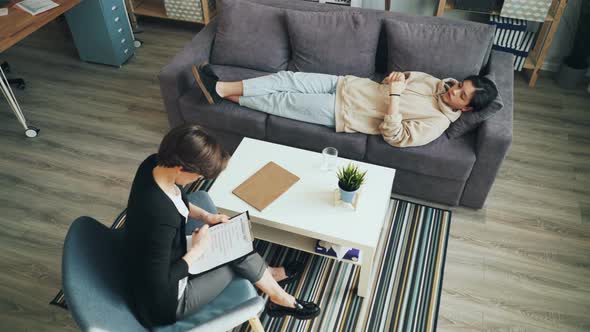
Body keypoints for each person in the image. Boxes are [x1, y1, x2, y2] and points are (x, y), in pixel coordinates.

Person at [123, 124, 320, 328]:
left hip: (170, 255)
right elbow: (161, 283)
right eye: (198, 176)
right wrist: (198, 250)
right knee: (234, 251)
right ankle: (279, 296)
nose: (197, 180)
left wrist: (207, 216)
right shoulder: (160, 217)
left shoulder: (153, 164)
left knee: (231, 242)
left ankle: (272, 281)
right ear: (180, 167)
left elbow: (177, 200)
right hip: (166, 303)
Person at [192, 63, 498, 148]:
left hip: (341, 112)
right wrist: (396, 77)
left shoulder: (437, 123)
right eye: (460, 84)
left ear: (467, 109)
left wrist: (393, 97)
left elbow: (396, 137)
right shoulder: (434, 82)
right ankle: (220, 88)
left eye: (461, 94)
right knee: (287, 77)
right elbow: (403, 76)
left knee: (281, 101)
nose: (454, 89)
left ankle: (217, 90)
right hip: (345, 84)